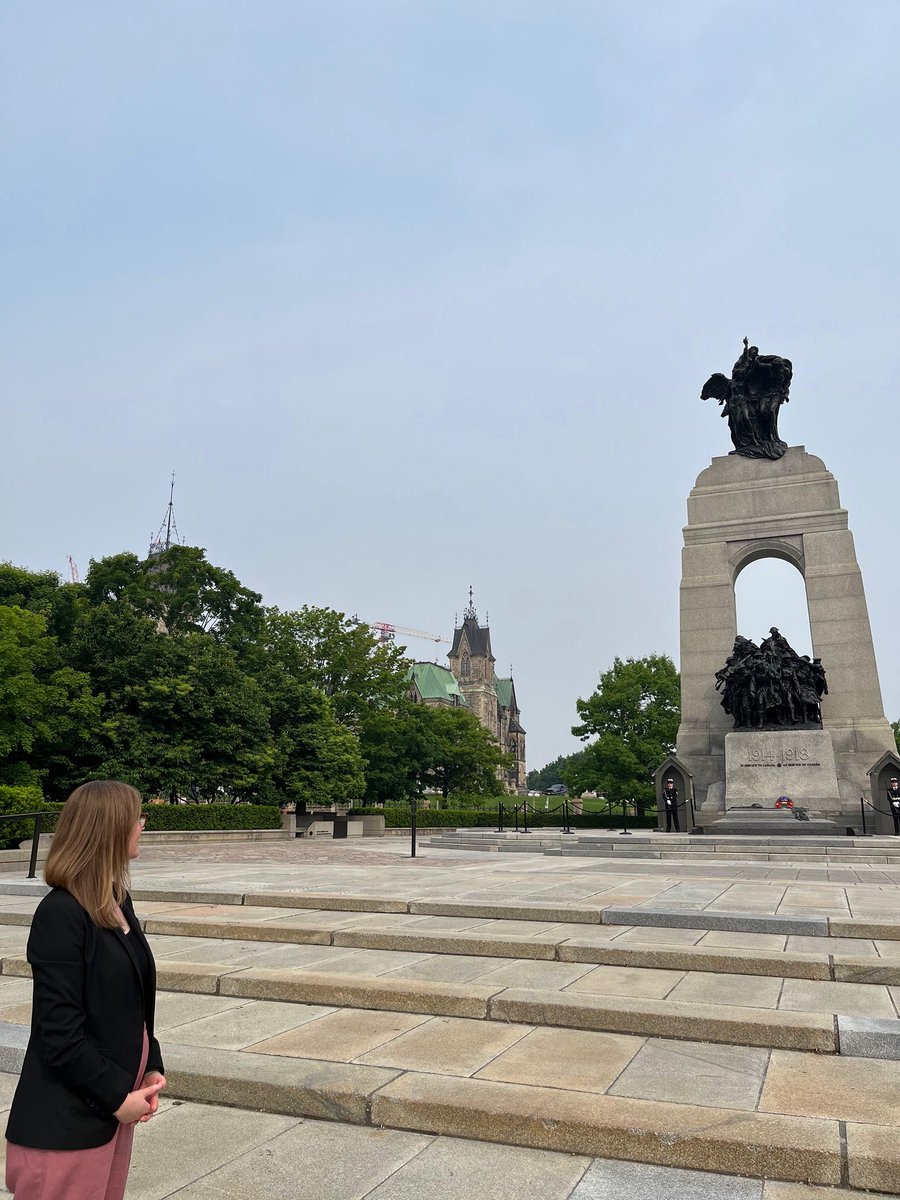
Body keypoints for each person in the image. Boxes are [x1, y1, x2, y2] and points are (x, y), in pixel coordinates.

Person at [5, 780, 166, 1200]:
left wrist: (152, 1063)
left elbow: (131, 1001)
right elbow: (58, 1032)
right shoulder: (61, 913)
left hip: (111, 1115)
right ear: (109, 829)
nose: (142, 825)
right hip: (67, 1125)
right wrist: (116, 1098)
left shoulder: (115, 900)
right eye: (136, 818)